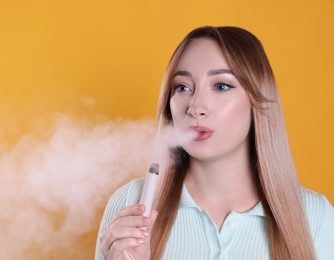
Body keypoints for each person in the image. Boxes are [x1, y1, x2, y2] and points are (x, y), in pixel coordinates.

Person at [95, 26, 334, 260]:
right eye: (182, 87)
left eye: (221, 86)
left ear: (256, 103)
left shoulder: (315, 216)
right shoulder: (130, 203)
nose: (195, 107)